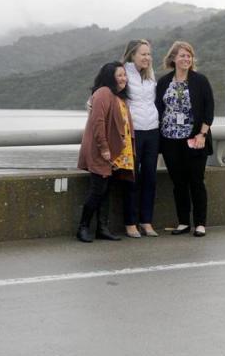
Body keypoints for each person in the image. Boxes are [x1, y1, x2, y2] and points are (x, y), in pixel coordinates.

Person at [156, 41, 214, 237]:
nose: (186, 59)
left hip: (194, 138)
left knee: (196, 181)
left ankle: (200, 223)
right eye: (182, 55)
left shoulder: (200, 81)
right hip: (170, 139)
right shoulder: (164, 82)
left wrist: (202, 134)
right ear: (173, 58)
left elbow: (209, 109)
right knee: (178, 182)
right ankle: (183, 222)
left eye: (189, 55)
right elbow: (157, 108)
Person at [76, 62, 135, 243]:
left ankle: (102, 228)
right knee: (97, 189)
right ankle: (83, 227)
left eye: (125, 75)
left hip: (116, 153)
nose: (123, 78)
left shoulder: (119, 96)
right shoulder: (103, 93)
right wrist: (104, 148)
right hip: (102, 151)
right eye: (119, 75)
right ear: (110, 77)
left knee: (106, 189)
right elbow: (98, 122)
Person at [121, 39, 160, 238]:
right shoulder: (123, 74)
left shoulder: (150, 75)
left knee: (150, 178)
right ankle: (130, 223)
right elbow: (102, 95)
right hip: (133, 133)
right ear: (132, 55)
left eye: (149, 54)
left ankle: (146, 221)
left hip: (152, 131)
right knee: (132, 178)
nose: (147, 58)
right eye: (143, 54)